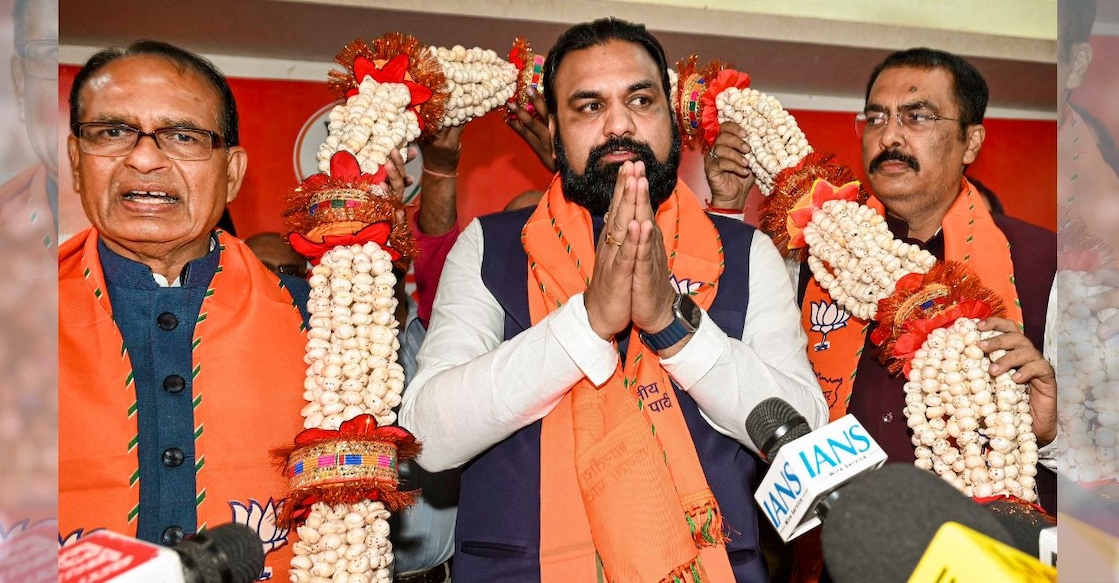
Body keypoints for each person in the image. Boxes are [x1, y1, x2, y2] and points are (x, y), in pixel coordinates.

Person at [401, 17, 826, 582]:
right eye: (588, 106)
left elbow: (804, 427)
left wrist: (671, 326)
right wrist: (587, 324)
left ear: (672, 118)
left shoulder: (747, 253)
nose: (618, 125)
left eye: (640, 100)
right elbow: (428, 435)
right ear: (553, 130)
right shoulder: (491, 246)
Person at [57, 41, 316, 581]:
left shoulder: (317, 317)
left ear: (233, 172)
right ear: (77, 162)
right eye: (111, 132)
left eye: (183, 136)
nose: (144, 158)